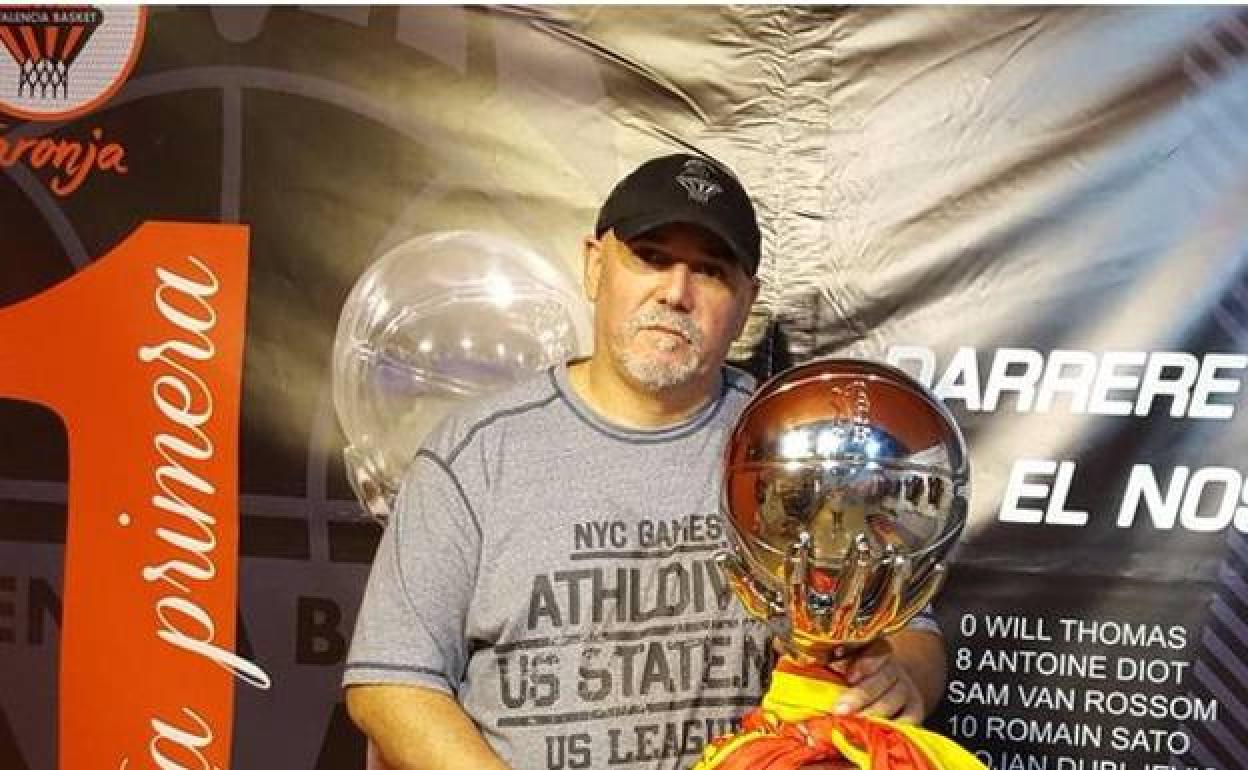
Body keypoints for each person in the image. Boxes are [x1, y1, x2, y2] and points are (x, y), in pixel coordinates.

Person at [343, 153, 948, 770]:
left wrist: (901, 677)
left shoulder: (795, 447)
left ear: (745, 303)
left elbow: (909, 629)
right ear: (594, 265)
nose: (676, 293)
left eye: (710, 272)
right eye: (651, 257)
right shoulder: (475, 454)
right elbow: (391, 685)